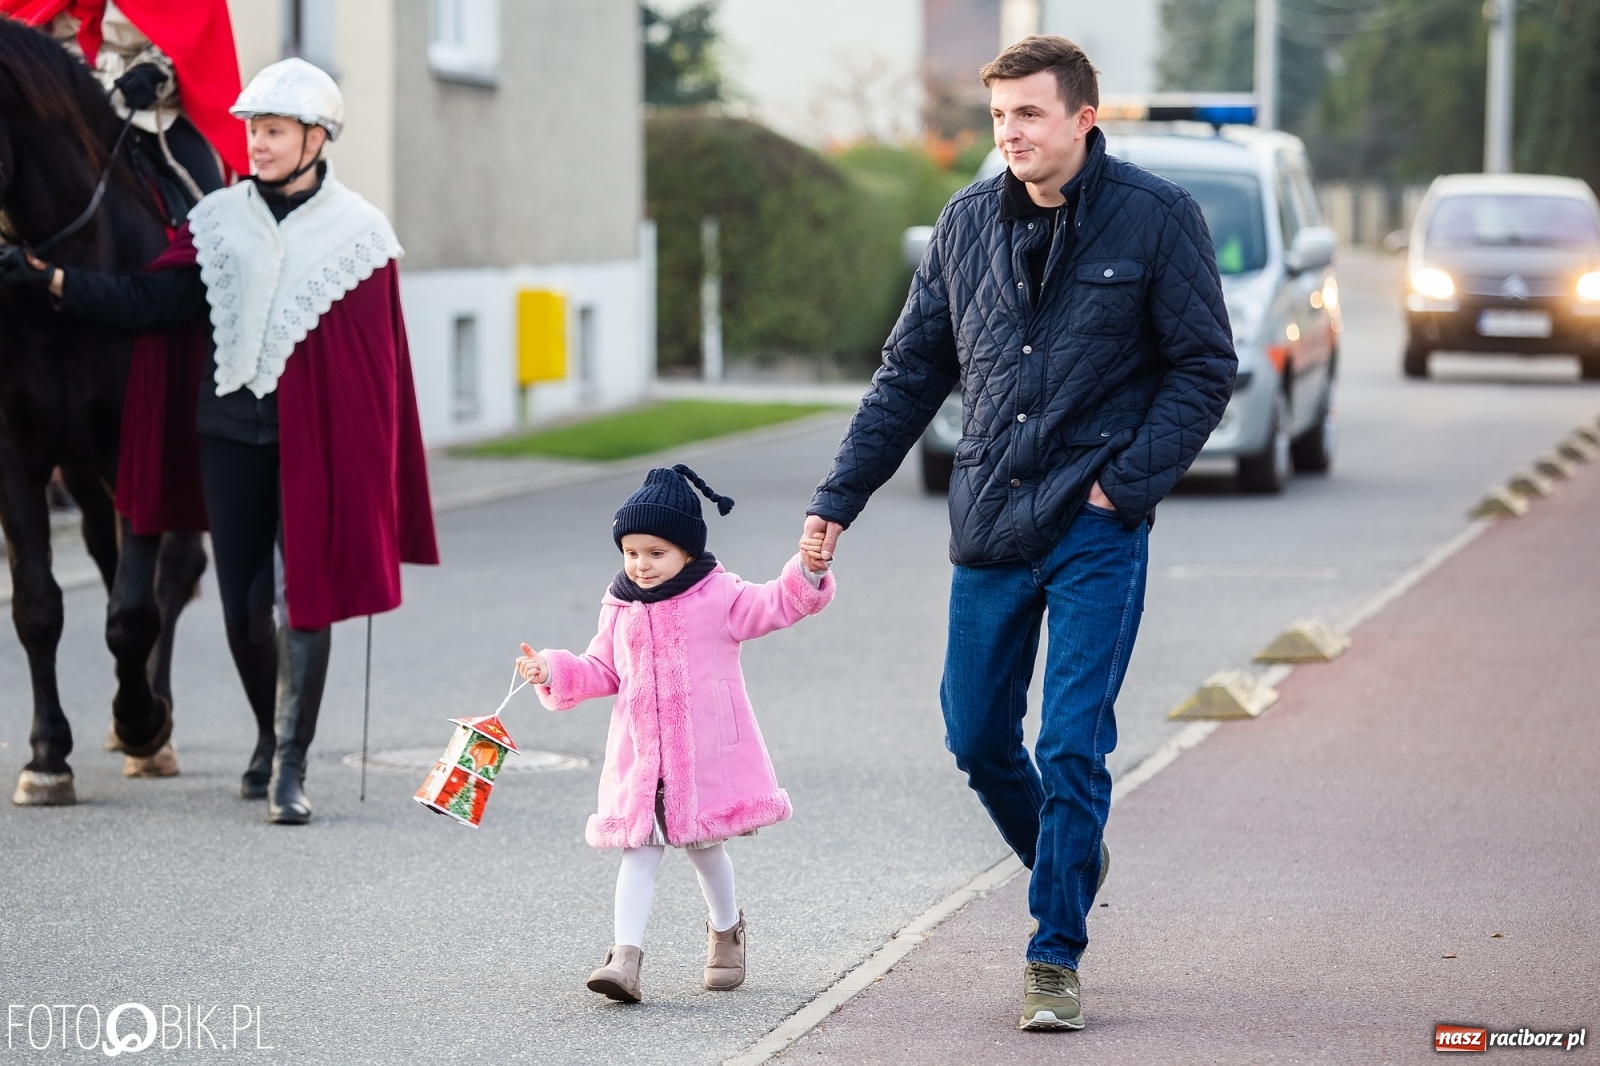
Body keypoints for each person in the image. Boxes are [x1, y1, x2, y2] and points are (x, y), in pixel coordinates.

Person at [803, 36, 1236, 1031]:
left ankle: (1052, 952)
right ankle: (1068, 854)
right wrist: (838, 498)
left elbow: (1203, 366)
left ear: (1084, 118)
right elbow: (910, 374)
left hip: (1095, 527)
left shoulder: (1157, 220)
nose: (1011, 135)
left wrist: (1120, 489)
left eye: (1029, 115)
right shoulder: (962, 226)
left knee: (1072, 744)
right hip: (992, 519)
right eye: (999, 117)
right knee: (976, 736)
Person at [0, 58, 439, 825]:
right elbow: (149, 299)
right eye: (252, 131)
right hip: (228, 435)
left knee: (304, 600)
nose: (256, 146)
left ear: (314, 138)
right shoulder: (215, 222)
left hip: (313, 447)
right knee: (242, 611)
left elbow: (375, 372)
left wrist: (369, 468)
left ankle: (290, 769)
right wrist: (55, 281)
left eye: (271, 132)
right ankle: (270, 738)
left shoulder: (360, 236)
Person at [515, 465, 834, 1004]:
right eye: (632, 552)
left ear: (687, 552)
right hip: (642, 758)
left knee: (705, 849)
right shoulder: (620, 605)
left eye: (656, 553)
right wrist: (554, 670)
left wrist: (805, 571)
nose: (641, 564)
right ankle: (624, 959)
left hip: (703, 757)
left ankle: (726, 931)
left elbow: (774, 605)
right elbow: (603, 669)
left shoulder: (720, 595)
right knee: (638, 849)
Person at [7, 0, 250, 204]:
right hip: (60, 96)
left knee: (213, 208)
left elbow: (194, 34)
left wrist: (157, 69)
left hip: (147, 107)